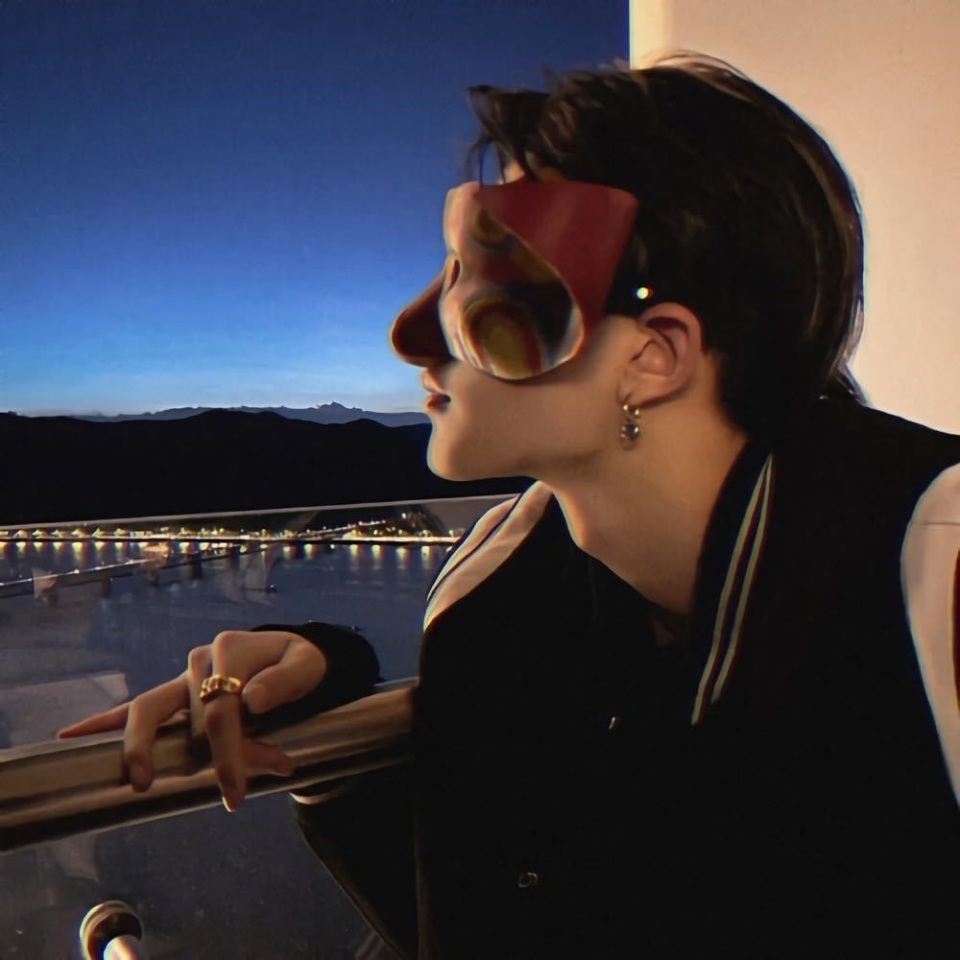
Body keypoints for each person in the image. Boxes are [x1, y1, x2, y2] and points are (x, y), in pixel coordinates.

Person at [60, 53, 960, 958]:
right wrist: (327, 707)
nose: (410, 335)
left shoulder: (936, 576)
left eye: (485, 274)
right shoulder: (499, 590)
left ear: (653, 355)